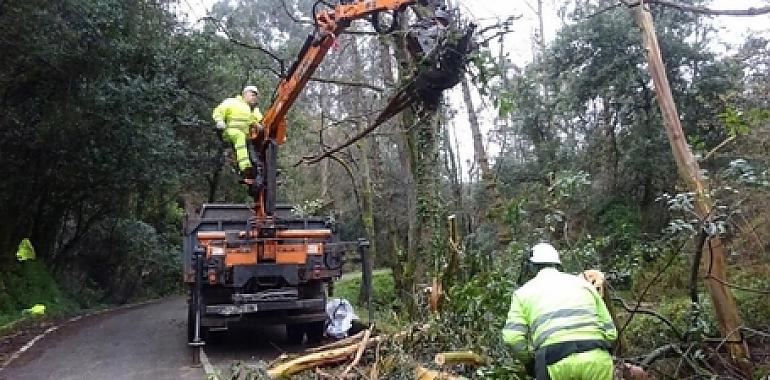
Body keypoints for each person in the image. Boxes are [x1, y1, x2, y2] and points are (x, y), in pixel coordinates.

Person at [502, 243, 617, 380]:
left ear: (531, 267)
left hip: (553, 362)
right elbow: (611, 333)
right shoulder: (585, 285)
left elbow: (512, 338)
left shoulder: (522, 293)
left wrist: (529, 361)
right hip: (596, 358)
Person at [212, 86, 263, 180]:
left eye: (256, 96)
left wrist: (257, 124)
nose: (254, 97)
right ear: (245, 93)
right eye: (252, 94)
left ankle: (259, 168)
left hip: (243, 136)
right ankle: (245, 167)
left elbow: (252, 120)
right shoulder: (232, 102)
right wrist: (219, 121)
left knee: (252, 145)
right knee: (240, 136)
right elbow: (218, 110)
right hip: (229, 131)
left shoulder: (249, 109)